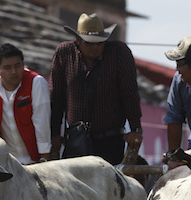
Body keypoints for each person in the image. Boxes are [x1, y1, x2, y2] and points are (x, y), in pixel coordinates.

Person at [49, 13, 143, 164]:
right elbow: (56, 97)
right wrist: (54, 133)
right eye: (90, 43)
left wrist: (135, 129)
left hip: (111, 140)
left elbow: (130, 92)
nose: (95, 47)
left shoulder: (118, 53)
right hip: (76, 139)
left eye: (100, 43)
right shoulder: (64, 53)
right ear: (78, 40)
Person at [0, 43, 51, 163]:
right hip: (7, 161)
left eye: (18, 66)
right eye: (8, 67)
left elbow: (42, 124)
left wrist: (45, 160)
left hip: (35, 160)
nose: (14, 72)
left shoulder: (36, 82)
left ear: (23, 65)